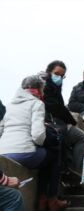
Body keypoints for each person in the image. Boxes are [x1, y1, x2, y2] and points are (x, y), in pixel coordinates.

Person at [0, 75, 68, 211]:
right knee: (54, 154)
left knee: (44, 158)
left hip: (3, 152)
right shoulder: (37, 103)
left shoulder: (10, 105)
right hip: (23, 153)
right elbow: (37, 135)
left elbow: (1, 129)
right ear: (39, 88)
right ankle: (52, 199)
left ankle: (43, 200)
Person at [43, 61, 84, 177]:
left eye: (62, 76)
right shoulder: (43, 85)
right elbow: (54, 107)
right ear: (49, 72)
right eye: (56, 74)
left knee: (81, 136)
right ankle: (69, 170)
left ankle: (76, 171)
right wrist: (71, 120)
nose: (59, 78)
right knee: (78, 136)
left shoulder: (56, 88)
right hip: (50, 123)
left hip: (58, 122)